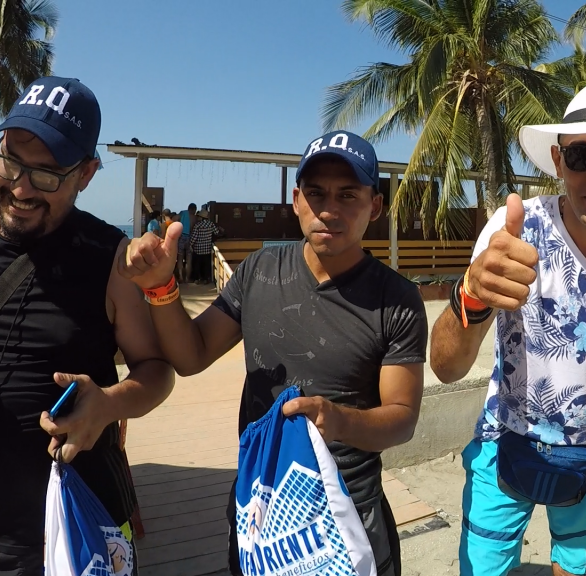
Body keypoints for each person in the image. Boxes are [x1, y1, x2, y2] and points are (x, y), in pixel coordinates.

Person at [118, 130, 426, 576]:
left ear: (374, 205)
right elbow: (191, 355)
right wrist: (162, 289)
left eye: (348, 195)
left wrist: (339, 420)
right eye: (317, 193)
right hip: (259, 508)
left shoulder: (396, 299)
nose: (329, 209)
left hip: (349, 515)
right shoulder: (259, 272)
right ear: (297, 199)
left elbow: (402, 416)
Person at [429, 79, 586, 576]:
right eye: (581, 155)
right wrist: (471, 296)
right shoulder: (512, 230)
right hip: (503, 438)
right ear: (557, 159)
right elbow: (445, 368)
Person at [0, 76, 174, 574]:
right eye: (9, 161)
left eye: (48, 174)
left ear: (87, 173)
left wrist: (109, 405)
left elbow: (157, 370)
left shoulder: (109, 259)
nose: (22, 188)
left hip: (72, 531)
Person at [189, 209, 222, 284]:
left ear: (201, 217)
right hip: (207, 248)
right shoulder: (211, 224)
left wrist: (190, 245)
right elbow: (217, 232)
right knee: (206, 265)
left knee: (197, 265)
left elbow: (194, 237)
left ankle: (197, 279)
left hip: (198, 249)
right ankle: (206, 278)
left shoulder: (197, 225)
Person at [176, 202, 196, 282]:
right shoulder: (194, 218)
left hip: (181, 237)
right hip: (189, 238)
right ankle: (187, 278)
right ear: (194, 210)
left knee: (180, 258)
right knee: (189, 259)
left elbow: (174, 219)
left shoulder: (182, 213)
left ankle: (181, 276)